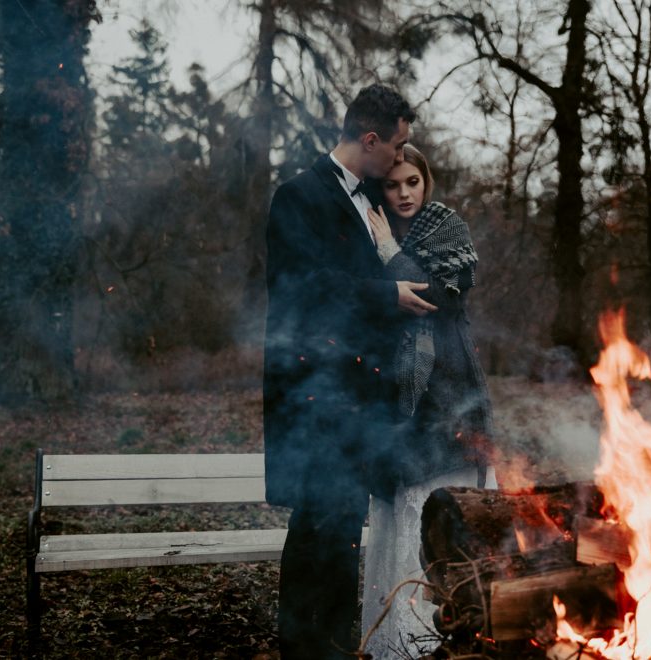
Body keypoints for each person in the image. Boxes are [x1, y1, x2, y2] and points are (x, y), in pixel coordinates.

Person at [264, 84, 437, 660]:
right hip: (314, 399)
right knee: (315, 533)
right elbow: (304, 289)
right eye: (397, 144)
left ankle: (335, 648)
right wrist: (387, 297)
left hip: (358, 402)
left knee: (340, 535)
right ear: (370, 139)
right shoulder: (298, 197)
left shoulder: (371, 203)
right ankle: (303, 649)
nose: (400, 157)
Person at [360, 144, 495, 657]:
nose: (403, 194)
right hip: (392, 392)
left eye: (412, 182)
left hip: (448, 386)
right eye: (393, 185)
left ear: (426, 181)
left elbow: (438, 294)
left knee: (441, 504)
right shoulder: (368, 227)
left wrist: (391, 252)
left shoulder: (446, 227)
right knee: (401, 507)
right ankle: (398, 641)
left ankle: (445, 635)